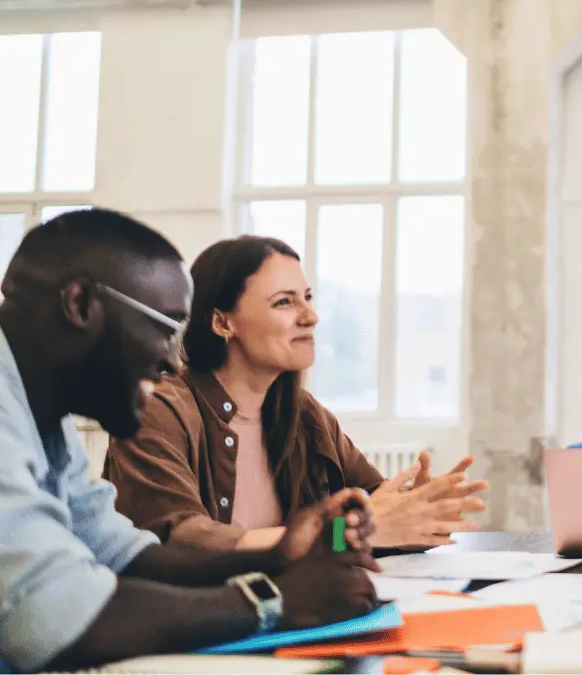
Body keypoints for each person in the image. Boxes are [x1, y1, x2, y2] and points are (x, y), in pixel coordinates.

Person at [0, 209, 381, 673]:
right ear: (80, 304)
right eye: (165, 327)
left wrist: (279, 556)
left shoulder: (42, 418)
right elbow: (51, 613)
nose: (173, 362)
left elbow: (125, 555)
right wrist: (274, 600)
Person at [105, 235, 486, 552]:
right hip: (202, 625)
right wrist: (363, 529)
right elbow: (181, 541)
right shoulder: (158, 412)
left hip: (294, 615)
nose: (310, 316)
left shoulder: (307, 416)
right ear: (223, 322)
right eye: (285, 302)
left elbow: (370, 517)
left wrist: (417, 513)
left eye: (308, 297)